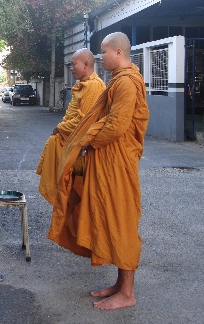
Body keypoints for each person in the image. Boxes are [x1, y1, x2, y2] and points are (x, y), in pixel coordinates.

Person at [48, 32, 149, 310]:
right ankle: (120, 284)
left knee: (122, 222)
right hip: (108, 161)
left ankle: (127, 293)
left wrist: (85, 141)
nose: (100, 57)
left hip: (117, 163)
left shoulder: (127, 83)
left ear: (118, 52)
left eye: (104, 52)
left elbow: (116, 127)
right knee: (110, 220)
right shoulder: (119, 80)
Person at [36, 48, 106, 204]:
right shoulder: (84, 84)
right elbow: (74, 116)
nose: (71, 68)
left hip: (82, 149)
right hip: (70, 143)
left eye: (74, 64)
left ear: (86, 64)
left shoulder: (94, 86)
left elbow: (84, 122)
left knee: (75, 197)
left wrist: (60, 128)